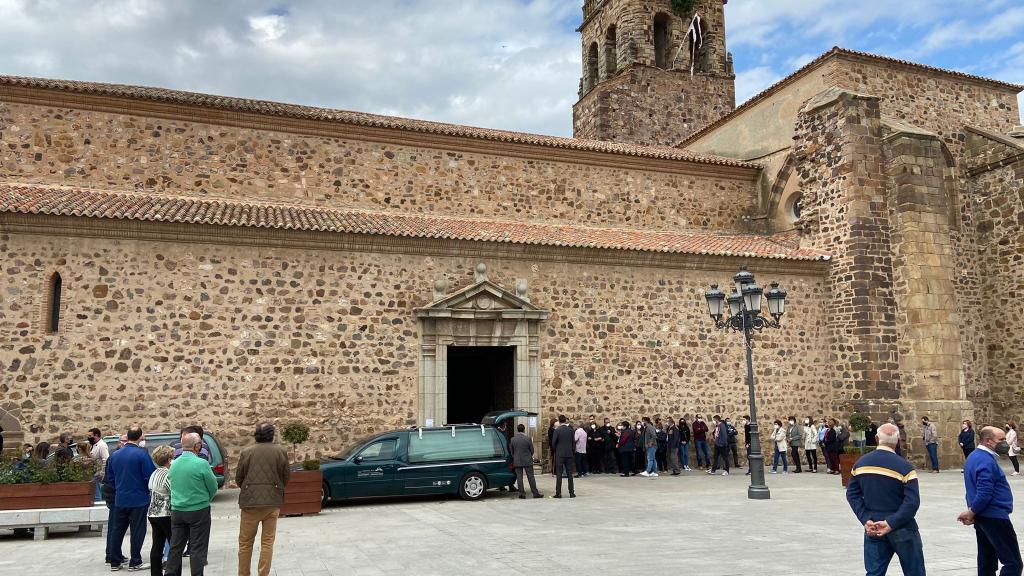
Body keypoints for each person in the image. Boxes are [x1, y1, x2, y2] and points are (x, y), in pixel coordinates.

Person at [845, 423, 924, 576]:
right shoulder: (905, 467)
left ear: (876, 438)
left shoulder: (860, 464)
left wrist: (865, 518)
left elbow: (852, 494)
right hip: (902, 527)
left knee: (874, 573)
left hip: (873, 525)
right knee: (914, 572)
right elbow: (912, 502)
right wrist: (891, 523)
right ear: (898, 441)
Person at [957, 426, 1022, 576]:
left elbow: (970, 490)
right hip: (995, 516)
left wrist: (973, 512)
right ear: (988, 441)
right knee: (1012, 563)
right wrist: (972, 511)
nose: (1004, 443)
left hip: (982, 516)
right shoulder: (985, 460)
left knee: (987, 562)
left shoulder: (973, 457)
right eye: (1001, 440)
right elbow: (984, 492)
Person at [237, 423, 292, 576]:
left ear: (256, 435)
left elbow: (239, 478)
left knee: (245, 543)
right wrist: (277, 489)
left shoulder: (246, 452)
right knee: (267, 542)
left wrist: (249, 489)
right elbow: (286, 476)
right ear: (271, 435)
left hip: (250, 503)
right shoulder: (280, 451)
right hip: (272, 503)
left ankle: (243, 574)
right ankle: (263, 573)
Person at [166, 432, 218, 576]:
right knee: (197, 547)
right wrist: (206, 498)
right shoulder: (201, 463)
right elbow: (213, 486)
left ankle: (170, 573)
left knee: (176, 547)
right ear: (197, 446)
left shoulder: (174, 464)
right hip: (198, 509)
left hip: (177, 510)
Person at [107, 426, 155, 571]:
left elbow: (110, 477)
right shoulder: (142, 454)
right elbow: (149, 476)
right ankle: (135, 561)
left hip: (120, 497)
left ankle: (114, 561)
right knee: (137, 530)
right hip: (139, 498)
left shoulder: (115, 455)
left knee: (117, 529)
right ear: (140, 437)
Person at [147, 445, 173, 576]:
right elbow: (173, 491)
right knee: (174, 544)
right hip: (165, 513)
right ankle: (173, 572)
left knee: (157, 544)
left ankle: (155, 573)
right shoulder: (167, 474)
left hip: (153, 512)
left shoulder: (154, 473)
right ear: (169, 459)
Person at [103, 435, 126, 568]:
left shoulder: (116, 456)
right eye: (124, 441)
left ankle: (113, 553)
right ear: (120, 442)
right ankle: (111, 554)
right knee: (114, 527)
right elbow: (111, 479)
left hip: (115, 495)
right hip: (115, 496)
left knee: (115, 527)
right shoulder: (115, 457)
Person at [509, 423, 542, 499]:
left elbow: (512, 451)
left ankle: (522, 494)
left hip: (517, 460)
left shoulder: (513, 439)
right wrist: (528, 456)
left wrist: (515, 457)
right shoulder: (528, 439)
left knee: (519, 478)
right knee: (531, 477)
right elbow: (532, 450)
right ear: (524, 430)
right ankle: (535, 493)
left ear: (517, 430)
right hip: (527, 460)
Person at [89, 427, 111, 501]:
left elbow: (106, 459)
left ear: (96, 435)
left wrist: (102, 473)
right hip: (94, 473)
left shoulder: (101, 445)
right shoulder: (94, 445)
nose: (89, 438)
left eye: (90, 436)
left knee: (97, 495)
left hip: (98, 474)